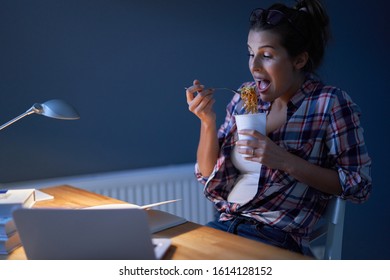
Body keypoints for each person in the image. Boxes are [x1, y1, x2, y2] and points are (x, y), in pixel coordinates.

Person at [185, 0, 372, 256]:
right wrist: (207, 121)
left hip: (278, 239)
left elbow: (358, 185)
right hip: (225, 226)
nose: (254, 66)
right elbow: (207, 175)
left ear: (299, 60)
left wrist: (285, 161)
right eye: (251, 53)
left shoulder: (329, 104)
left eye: (267, 55)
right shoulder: (242, 99)